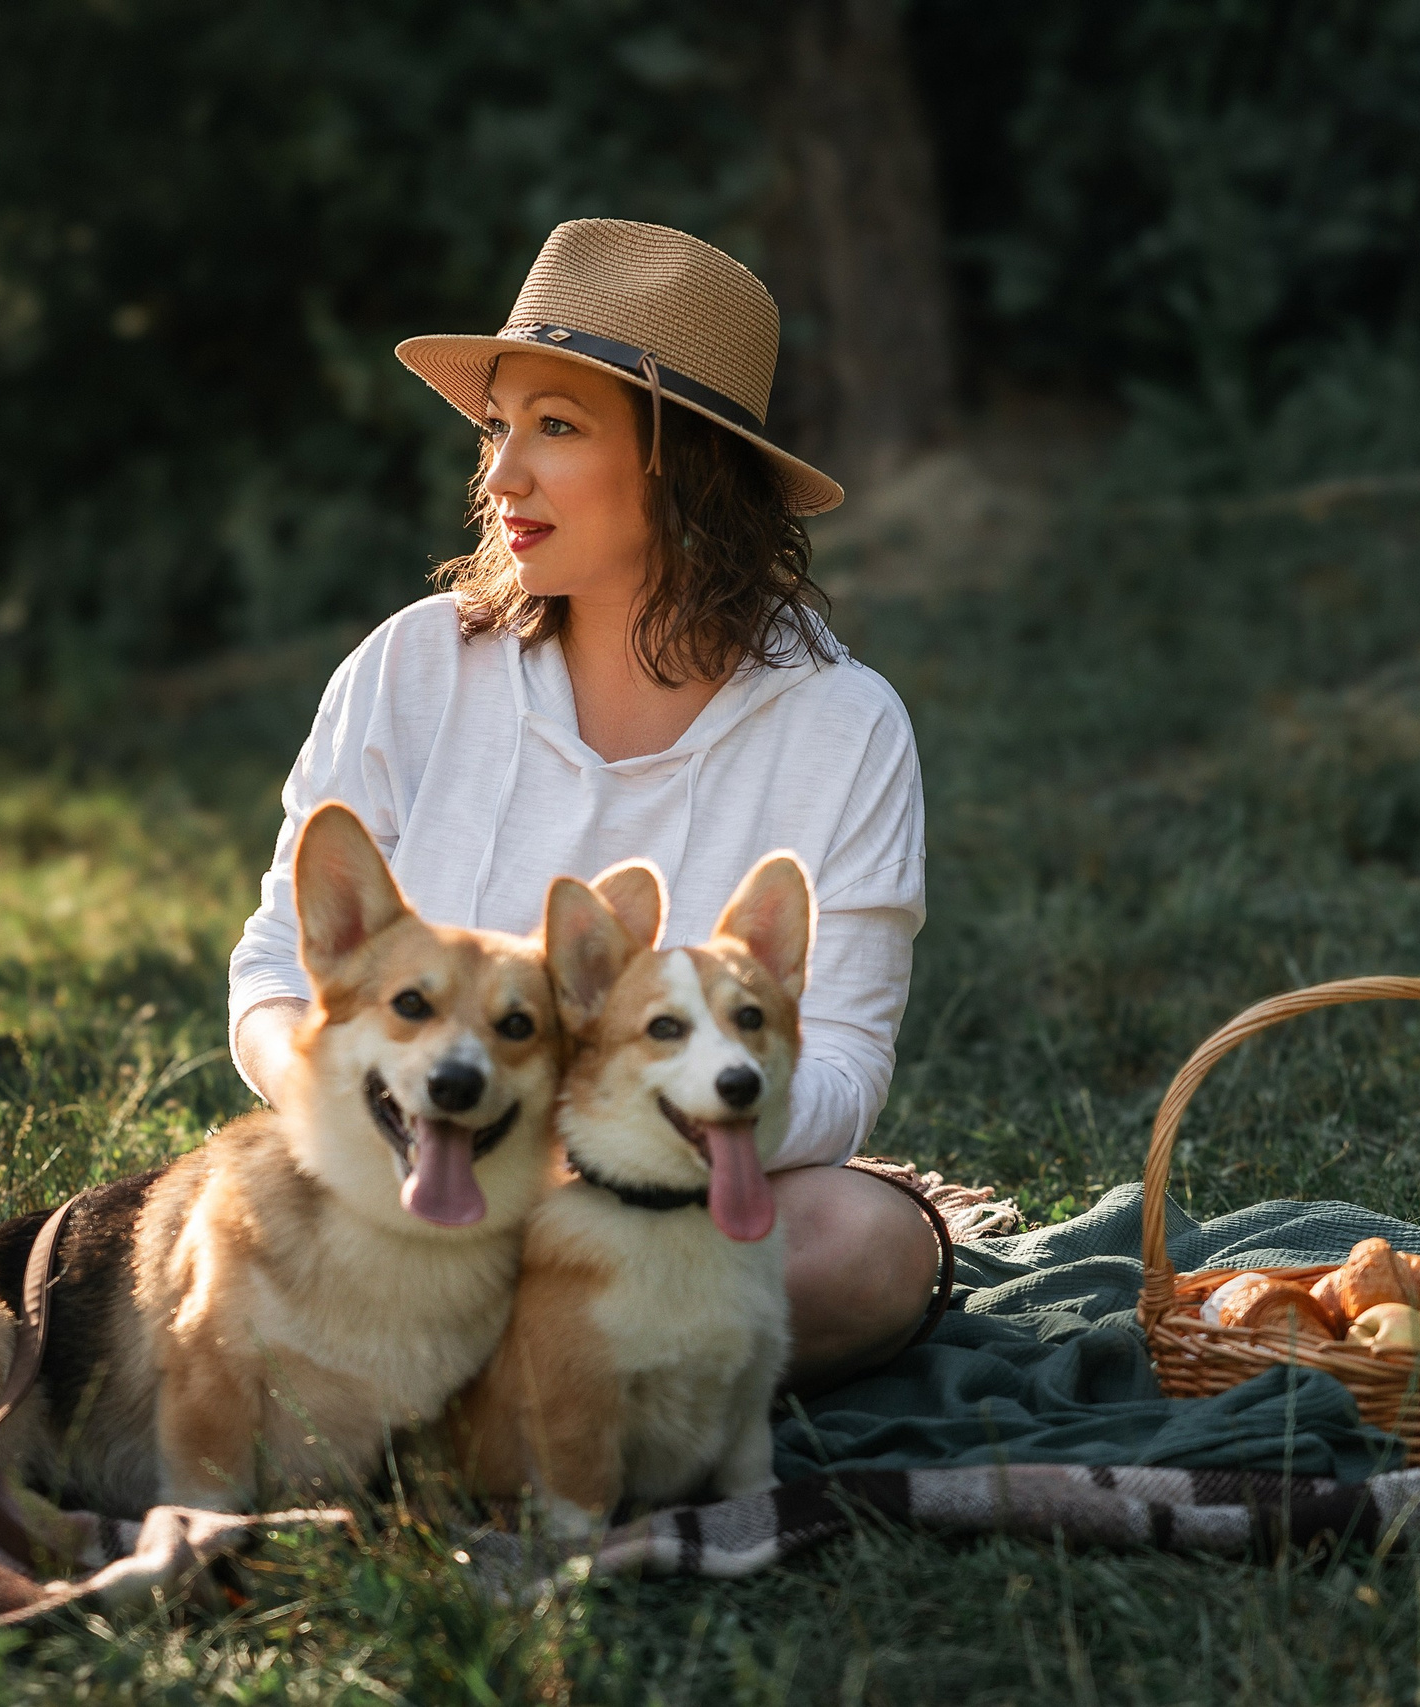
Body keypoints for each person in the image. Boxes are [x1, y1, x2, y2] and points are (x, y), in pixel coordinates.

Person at [227, 218, 940, 1390]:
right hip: (406, 1172)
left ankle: (441, 1378)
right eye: (498, 428)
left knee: (865, 1252)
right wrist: (339, 1097)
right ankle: (538, 1380)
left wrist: (594, 1141)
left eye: (554, 428)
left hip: (653, 1204)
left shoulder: (842, 727)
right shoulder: (412, 669)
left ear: (684, 462)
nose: (501, 474)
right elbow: (272, 966)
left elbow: (845, 1069)